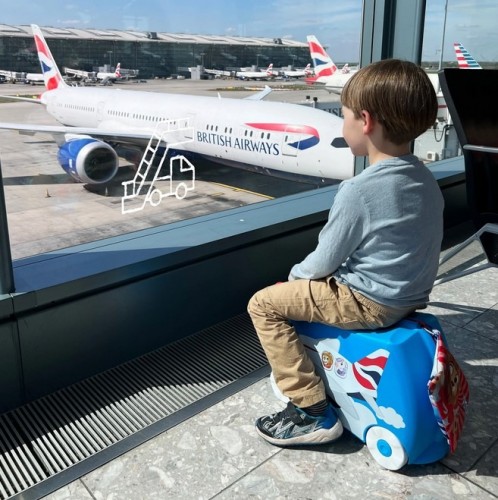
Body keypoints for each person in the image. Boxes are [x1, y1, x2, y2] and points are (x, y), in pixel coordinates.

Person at [247, 59, 444, 447]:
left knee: (264, 305)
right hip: (408, 297)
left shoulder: (359, 190)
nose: (343, 125)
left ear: (365, 121)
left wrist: (293, 280)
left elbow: (323, 261)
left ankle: (310, 410)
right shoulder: (424, 178)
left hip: (369, 302)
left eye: (345, 116)